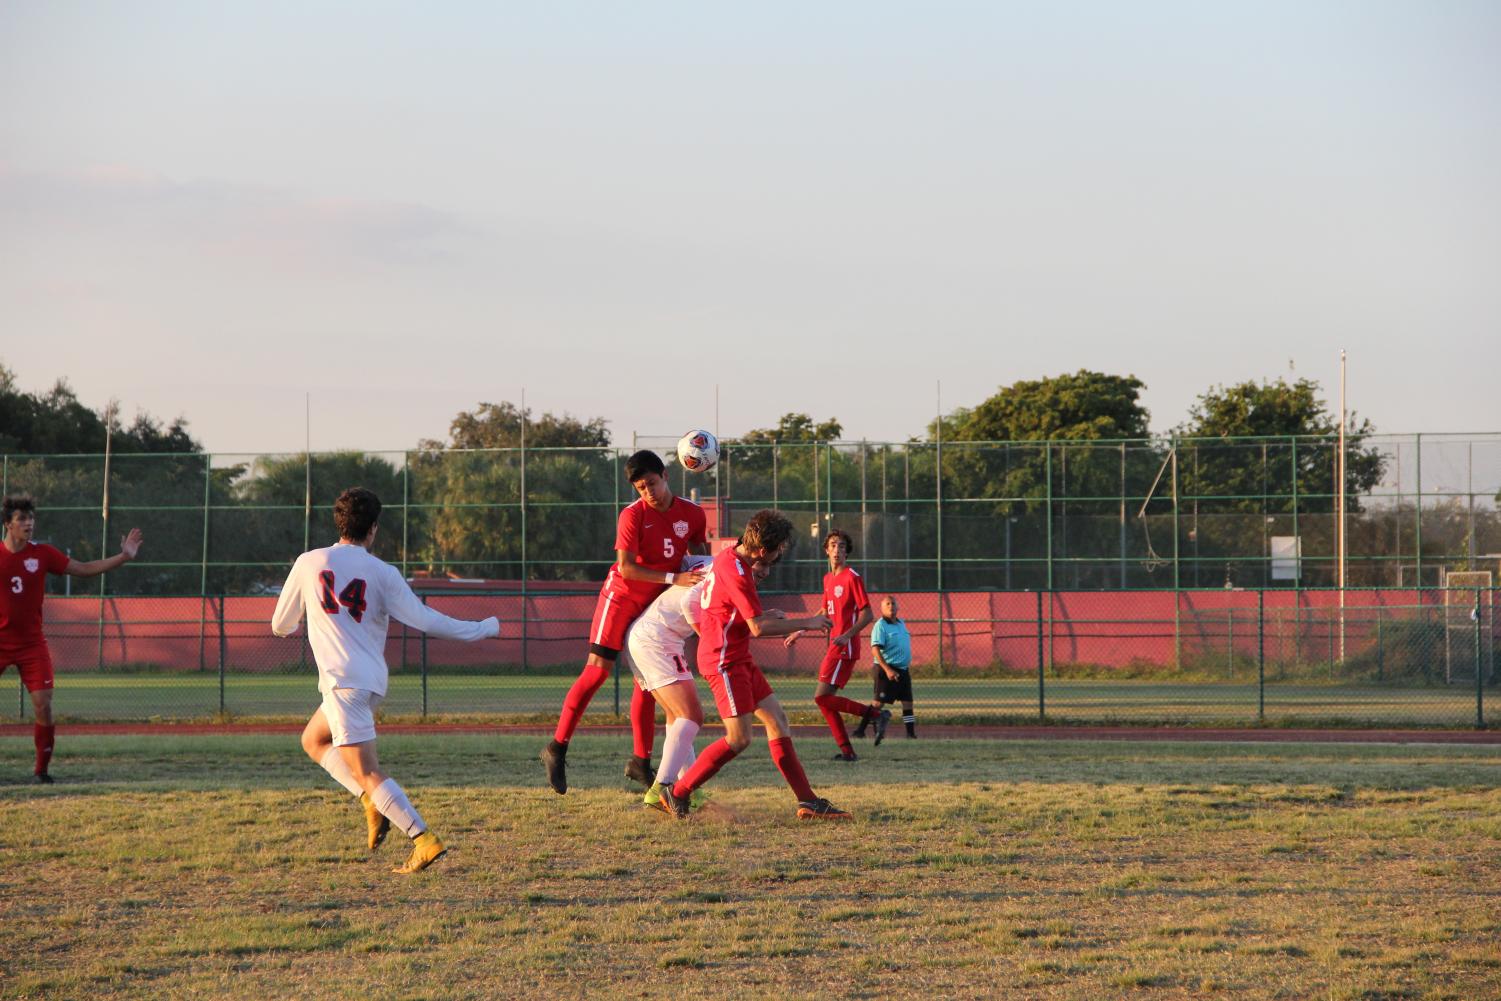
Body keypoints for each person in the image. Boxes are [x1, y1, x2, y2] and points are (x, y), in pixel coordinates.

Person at [271, 487, 500, 874]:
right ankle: (369, 799)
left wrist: (304, 619)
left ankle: (422, 839)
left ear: (338, 522)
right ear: (373, 528)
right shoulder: (383, 573)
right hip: (369, 681)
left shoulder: (309, 562)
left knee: (368, 769)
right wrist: (483, 628)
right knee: (313, 739)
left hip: (344, 683)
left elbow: (280, 624)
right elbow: (427, 621)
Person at [656, 509, 850, 821]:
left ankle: (808, 802)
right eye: (775, 552)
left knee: (778, 720)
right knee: (739, 738)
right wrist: (809, 622)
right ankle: (676, 792)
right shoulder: (738, 572)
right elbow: (757, 627)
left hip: (736, 654)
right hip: (723, 660)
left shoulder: (731, 554)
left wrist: (762, 616)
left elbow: (734, 615)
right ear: (761, 550)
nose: (776, 558)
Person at [541, 450, 707, 795]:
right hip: (620, 599)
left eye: (652, 483)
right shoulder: (632, 516)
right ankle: (557, 748)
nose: (648, 492)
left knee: (647, 684)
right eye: (641, 487)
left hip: (652, 602)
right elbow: (627, 567)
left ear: (665, 475)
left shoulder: (691, 514)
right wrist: (674, 578)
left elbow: (698, 555)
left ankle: (640, 763)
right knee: (597, 671)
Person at [1, 495, 143, 783]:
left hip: (31, 644)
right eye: (22, 519)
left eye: (31, 518)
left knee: (44, 704)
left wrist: (124, 557)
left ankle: (41, 770)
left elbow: (84, 569)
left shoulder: (42, 554)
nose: (29, 524)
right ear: (7, 524)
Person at [785, 529, 882, 759]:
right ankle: (847, 752)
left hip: (844, 647)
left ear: (847, 552)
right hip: (835, 646)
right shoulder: (828, 579)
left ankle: (876, 716)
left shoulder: (852, 577)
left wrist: (847, 635)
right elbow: (824, 612)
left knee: (822, 698)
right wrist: (801, 630)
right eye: (833, 546)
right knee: (825, 702)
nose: (837, 550)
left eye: (841, 546)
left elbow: (867, 614)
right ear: (826, 551)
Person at [853, 594, 915, 743]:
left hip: (903, 670)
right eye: (887, 604)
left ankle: (911, 734)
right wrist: (887, 670)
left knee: (907, 702)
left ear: (898, 607)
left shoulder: (901, 623)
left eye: (893, 604)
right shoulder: (880, 625)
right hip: (886, 669)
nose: (891, 607)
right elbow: (875, 650)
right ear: (881, 608)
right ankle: (860, 731)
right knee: (878, 704)